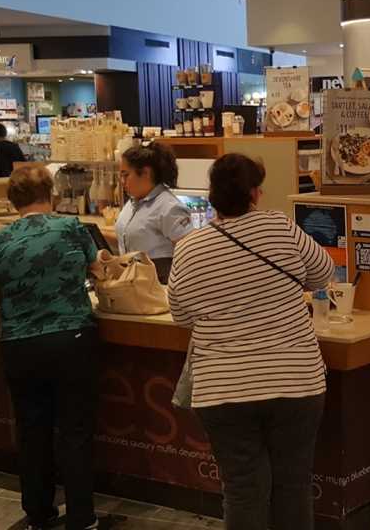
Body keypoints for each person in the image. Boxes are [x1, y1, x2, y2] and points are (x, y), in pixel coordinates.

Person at [169, 153, 335, 530]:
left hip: (223, 389)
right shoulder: (280, 227)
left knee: (243, 489)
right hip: (296, 381)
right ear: (256, 194)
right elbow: (323, 273)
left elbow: (181, 317)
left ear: (212, 196)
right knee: (293, 485)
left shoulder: (189, 248)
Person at [0, 166, 101, 530]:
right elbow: (99, 269)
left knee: (32, 432)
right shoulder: (71, 227)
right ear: (51, 193)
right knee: (74, 432)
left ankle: (39, 514)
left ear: (12, 200)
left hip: (19, 344)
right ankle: (82, 517)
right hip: (72, 339)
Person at [116, 142, 191, 284]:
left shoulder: (169, 207)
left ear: (145, 173)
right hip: (131, 284)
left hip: (158, 287)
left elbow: (189, 253)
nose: (122, 181)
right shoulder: (132, 202)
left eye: (126, 175)